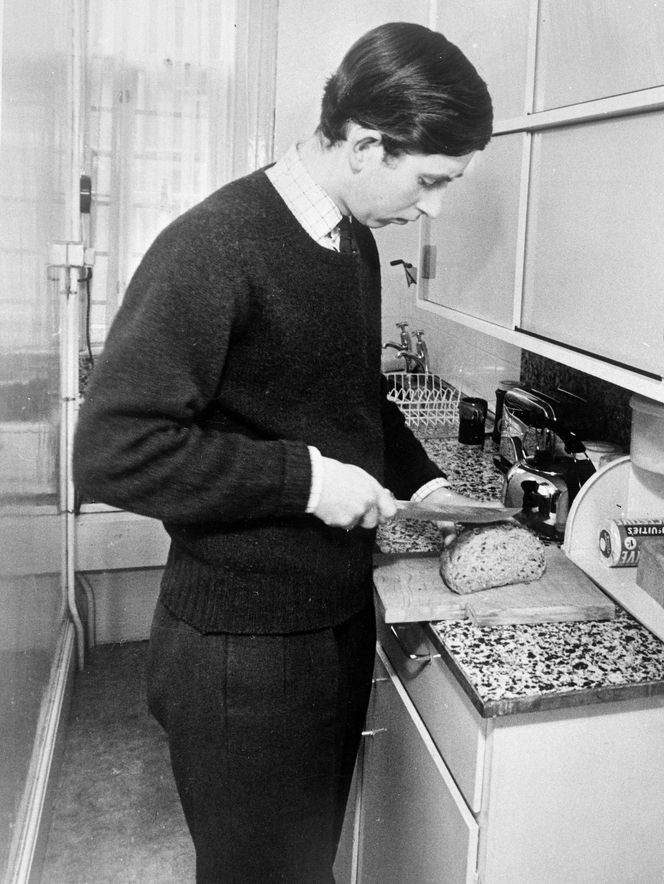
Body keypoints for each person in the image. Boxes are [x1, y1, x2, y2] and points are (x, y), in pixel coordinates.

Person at [73, 20, 493, 884]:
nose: (435, 205)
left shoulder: (352, 240)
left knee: (303, 867)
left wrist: (429, 483)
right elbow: (115, 451)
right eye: (431, 179)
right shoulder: (214, 245)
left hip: (331, 620)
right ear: (369, 142)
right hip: (241, 648)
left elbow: (353, 394)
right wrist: (303, 480)